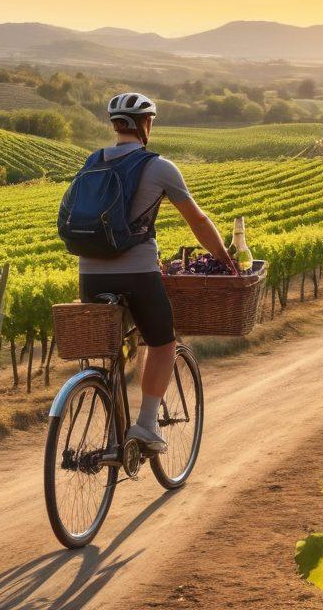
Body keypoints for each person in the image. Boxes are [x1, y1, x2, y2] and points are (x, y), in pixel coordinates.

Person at [78, 92, 237, 452]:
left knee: (109, 348)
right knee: (163, 341)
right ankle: (147, 425)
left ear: (115, 125)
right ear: (145, 125)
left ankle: (99, 391)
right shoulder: (159, 166)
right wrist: (223, 257)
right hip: (137, 273)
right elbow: (197, 220)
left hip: (89, 274)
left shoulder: (92, 162)